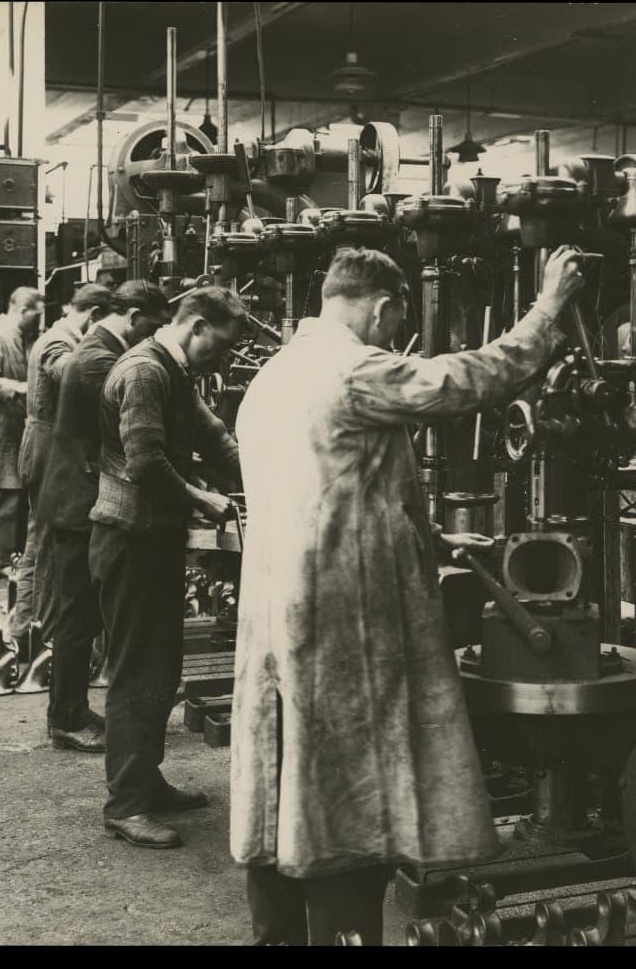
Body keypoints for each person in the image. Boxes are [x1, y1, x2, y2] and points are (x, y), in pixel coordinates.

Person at [230, 245, 585, 945]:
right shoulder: (354, 369)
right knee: (349, 808)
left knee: (283, 792)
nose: (395, 337)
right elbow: (465, 382)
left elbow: (327, 485)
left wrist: (421, 534)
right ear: (387, 307)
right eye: (397, 324)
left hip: (279, 610)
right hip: (340, 622)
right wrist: (548, 309)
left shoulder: (272, 376)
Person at [90, 285, 248, 848]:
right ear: (197, 326)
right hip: (129, 537)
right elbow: (145, 462)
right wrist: (203, 499)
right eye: (221, 348)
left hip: (152, 537)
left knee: (161, 666)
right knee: (137, 670)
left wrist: (259, 477)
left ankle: (146, 781)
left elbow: (215, 437)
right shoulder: (144, 373)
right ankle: (126, 804)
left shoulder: (176, 372)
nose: (224, 361)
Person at [39, 280, 171, 753]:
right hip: (76, 500)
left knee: (83, 613)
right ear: (134, 317)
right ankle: (66, 719)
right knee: (78, 615)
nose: (153, 336)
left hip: (76, 493)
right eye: (152, 326)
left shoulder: (99, 348)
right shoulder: (99, 360)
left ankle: (71, 710)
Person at [10, 283, 114, 655]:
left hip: (48, 447)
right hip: (46, 449)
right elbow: (75, 375)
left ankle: (30, 632)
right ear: (95, 316)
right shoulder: (58, 343)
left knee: (43, 544)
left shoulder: (59, 336)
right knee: (43, 546)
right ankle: (32, 635)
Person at [0, 286, 44, 578]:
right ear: (22, 310)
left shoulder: (24, 338)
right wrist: (20, 389)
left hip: (18, 427)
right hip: (1, 427)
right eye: (37, 314)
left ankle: (13, 557)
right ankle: (0, 561)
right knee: (5, 494)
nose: (40, 321)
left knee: (19, 493)